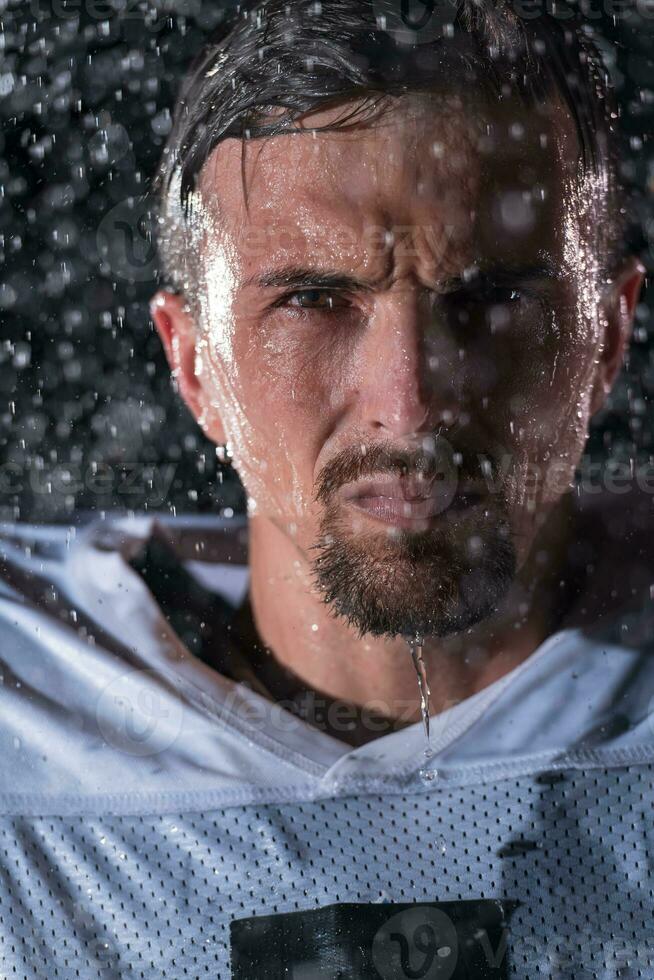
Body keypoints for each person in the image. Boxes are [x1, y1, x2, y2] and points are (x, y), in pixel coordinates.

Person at [0, 0, 652, 976]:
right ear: (193, 365)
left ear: (606, 336)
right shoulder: (23, 702)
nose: (411, 400)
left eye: (489, 298)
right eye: (315, 300)